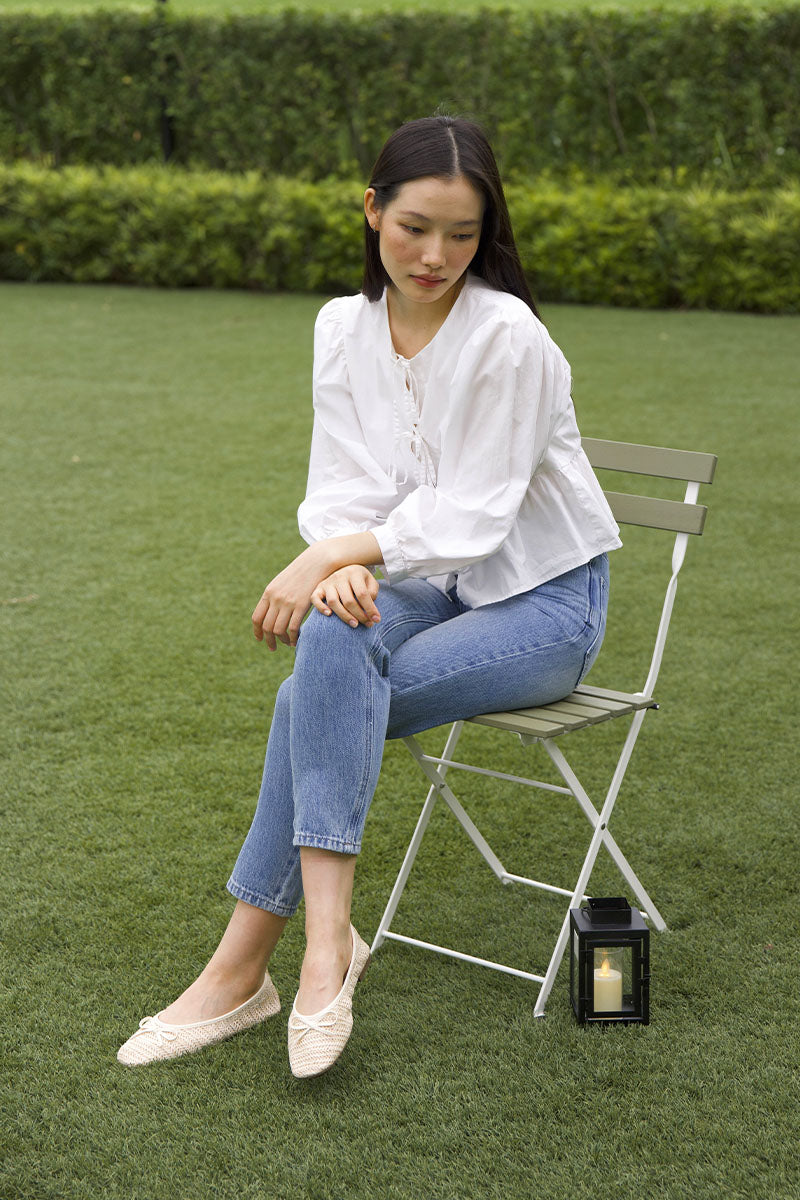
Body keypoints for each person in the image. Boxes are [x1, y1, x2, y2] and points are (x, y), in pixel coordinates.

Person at [117, 115, 621, 1077]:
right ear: (371, 210)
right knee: (335, 640)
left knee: (312, 684)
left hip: (546, 606)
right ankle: (321, 950)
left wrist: (336, 557)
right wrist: (341, 559)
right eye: (414, 227)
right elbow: (345, 479)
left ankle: (253, 969)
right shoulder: (341, 326)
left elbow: (473, 513)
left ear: (488, 234)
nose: (436, 256)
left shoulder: (508, 335)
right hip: (431, 584)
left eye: (464, 235)